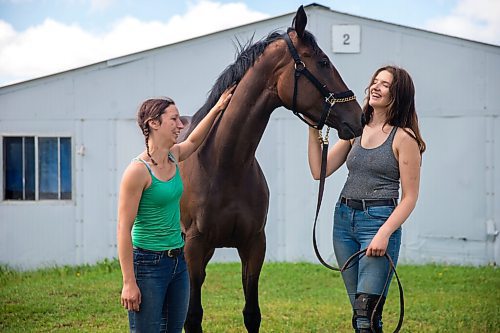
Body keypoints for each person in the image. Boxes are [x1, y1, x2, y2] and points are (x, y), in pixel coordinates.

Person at [307, 65, 425, 332]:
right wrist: (314, 127)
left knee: (366, 314)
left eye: (385, 84)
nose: (376, 86)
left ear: (398, 94)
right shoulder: (357, 129)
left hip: (378, 222)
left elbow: (410, 197)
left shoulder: (403, 137)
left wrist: (384, 234)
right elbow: (319, 170)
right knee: (359, 313)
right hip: (344, 222)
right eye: (375, 81)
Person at [117, 86, 234, 333]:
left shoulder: (173, 156)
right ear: (154, 123)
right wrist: (129, 282)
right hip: (148, 264)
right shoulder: (137, 172)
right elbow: (123, 229)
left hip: (178, 262)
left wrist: (217, 107)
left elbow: (193, 140)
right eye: (174, 119)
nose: (181, 125)